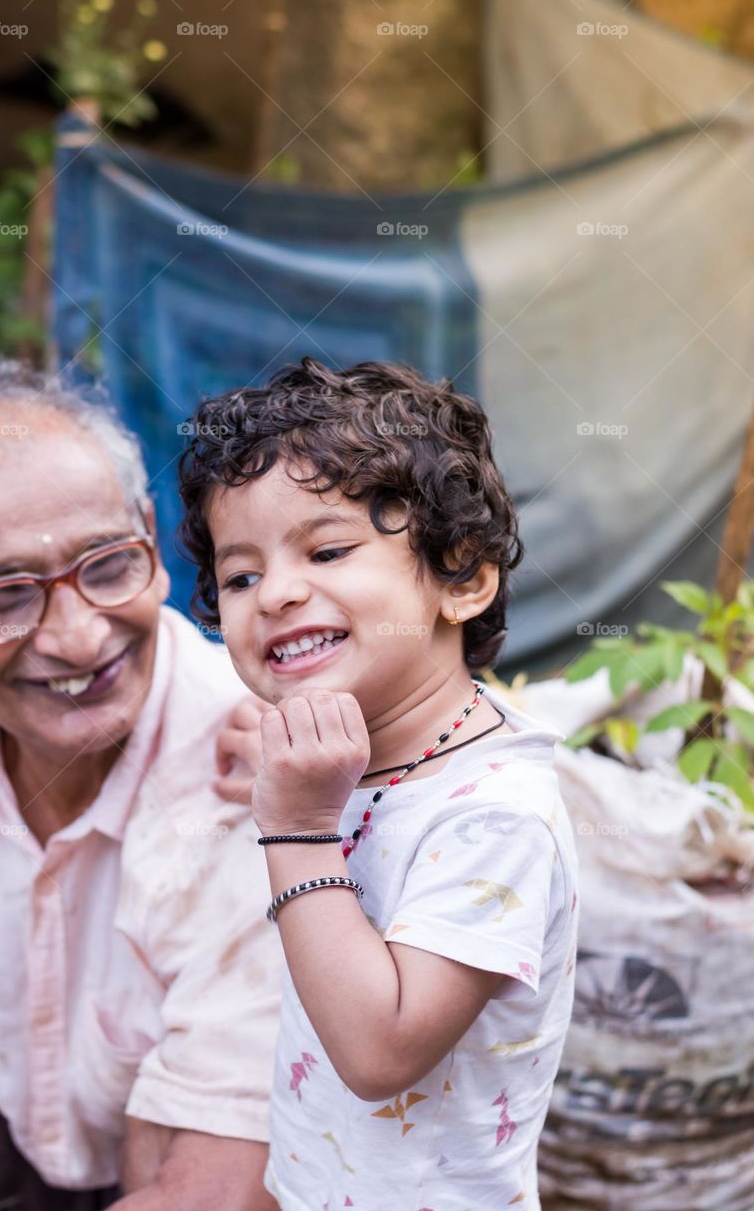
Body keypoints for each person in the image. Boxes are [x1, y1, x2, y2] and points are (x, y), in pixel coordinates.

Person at [176, 355, 579, 1210]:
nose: (276, 593)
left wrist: (294, 827)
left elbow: (380, 1053)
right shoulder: (364, 747)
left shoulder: (495, 814)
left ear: (461, 578)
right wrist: (275, 751)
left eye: (327, 550)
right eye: (239, 575)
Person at [0, 359, 281, 1211]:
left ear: (150, 537)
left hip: (175, 1169)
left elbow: (219, 1187)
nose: (78, 640)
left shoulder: (262, 782)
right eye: (5, 595)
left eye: (108, 565)